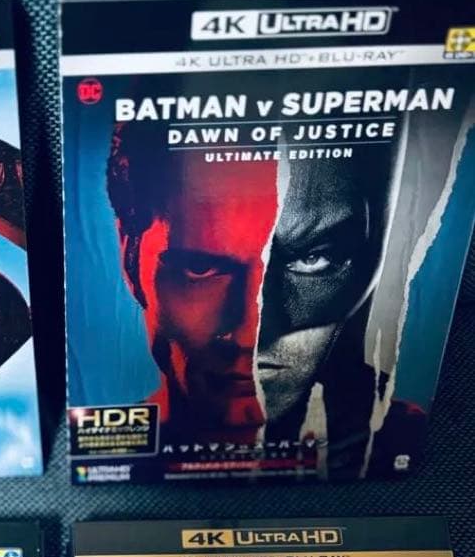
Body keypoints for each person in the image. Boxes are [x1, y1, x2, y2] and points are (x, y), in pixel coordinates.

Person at [107, 116, 423, 474]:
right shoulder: (106, 452)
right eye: (200, 268)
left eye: (311, 258)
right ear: (129, 259)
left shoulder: (408, 443)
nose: (250, 337)